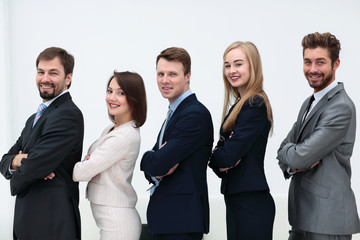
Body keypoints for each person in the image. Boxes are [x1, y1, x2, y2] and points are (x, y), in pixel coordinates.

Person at [277, 32, 360, 240]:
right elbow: (283, 149)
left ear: (336, 64)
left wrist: (294, 158)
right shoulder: (309, 102)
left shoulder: (341, 107)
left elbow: (299, 156)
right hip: (302, 217)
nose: (312, 69)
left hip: (327, 221)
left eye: (320, 62)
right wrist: (291, 159)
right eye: (307, 62)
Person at [0, 47, 84, 239]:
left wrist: (23, 166)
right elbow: (4, 161)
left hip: (51, 223)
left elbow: (33, 168)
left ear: (68, 78)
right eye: (41, 72)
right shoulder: (34, 118)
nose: (45, 78)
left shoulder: (67, 114)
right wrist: (21, 160)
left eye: (53, 73)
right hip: (31, 223)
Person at [140, 47, 213, 240]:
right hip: (169, 220)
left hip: (181, 221)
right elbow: (155, 163)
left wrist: (150, 159)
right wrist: (152, 159)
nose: (165, 80)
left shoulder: (194, 114)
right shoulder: (176, 112)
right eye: (160, 74)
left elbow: (158, 163)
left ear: (188, 76)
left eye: (172, 74)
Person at [209, 41, 275, 240]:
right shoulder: (240, 105)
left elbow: (226, 155)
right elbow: (221, 155)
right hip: (238, 200)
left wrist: (220, 158)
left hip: (251, 204)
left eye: (238, 64)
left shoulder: (254, 104)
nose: (231, 70)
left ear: (252, 66)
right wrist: (219, 158)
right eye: (227, 65)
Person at [73, 71, 147, 240]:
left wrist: (88, 164)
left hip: (119, 223)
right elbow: (89, 163)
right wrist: (89, 163)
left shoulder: (125, 135)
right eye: (109, 91)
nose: (111, 97)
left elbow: (81, 172)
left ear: (134, 98)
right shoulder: (111, 129)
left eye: (120, 93)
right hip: (111, 220)